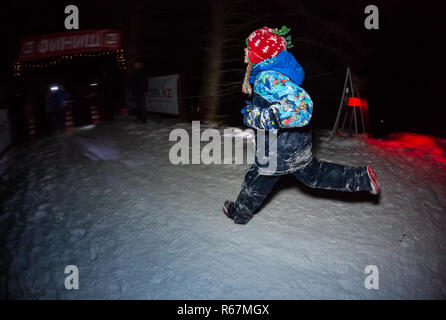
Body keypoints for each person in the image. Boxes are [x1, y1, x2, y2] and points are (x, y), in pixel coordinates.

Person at [223, 26, 379, 225]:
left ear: (260, 55)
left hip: (278, 149)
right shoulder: (274, 70)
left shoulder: (268, 78)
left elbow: (301, 107)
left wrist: (260, 116)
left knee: (256, 178)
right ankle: (362, 178)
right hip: (296, 144)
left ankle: (239, 213)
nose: (244, 51)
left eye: (248, 49)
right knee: (314, 175)